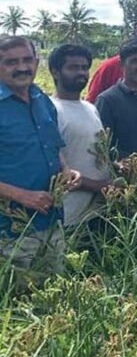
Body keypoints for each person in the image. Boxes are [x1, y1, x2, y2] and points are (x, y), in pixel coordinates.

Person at [0, 35, 79, 288]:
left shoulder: (41, 99)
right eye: (11, 62)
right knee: (15, 304)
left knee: (52, 294)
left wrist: (66, 169)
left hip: (51, 220)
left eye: (26, 60)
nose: (21, 67)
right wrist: (22, 195)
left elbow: (53, 145)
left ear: (36, 62)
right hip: (11, 229)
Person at [48, 44, 110, 227]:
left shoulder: (90, 108)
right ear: (55, 72)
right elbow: (53, 167)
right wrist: (99, 186)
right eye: (73, 68)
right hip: (68, 216)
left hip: (97, 211)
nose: (81, 73)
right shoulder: (50, 111)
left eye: (84, 68)